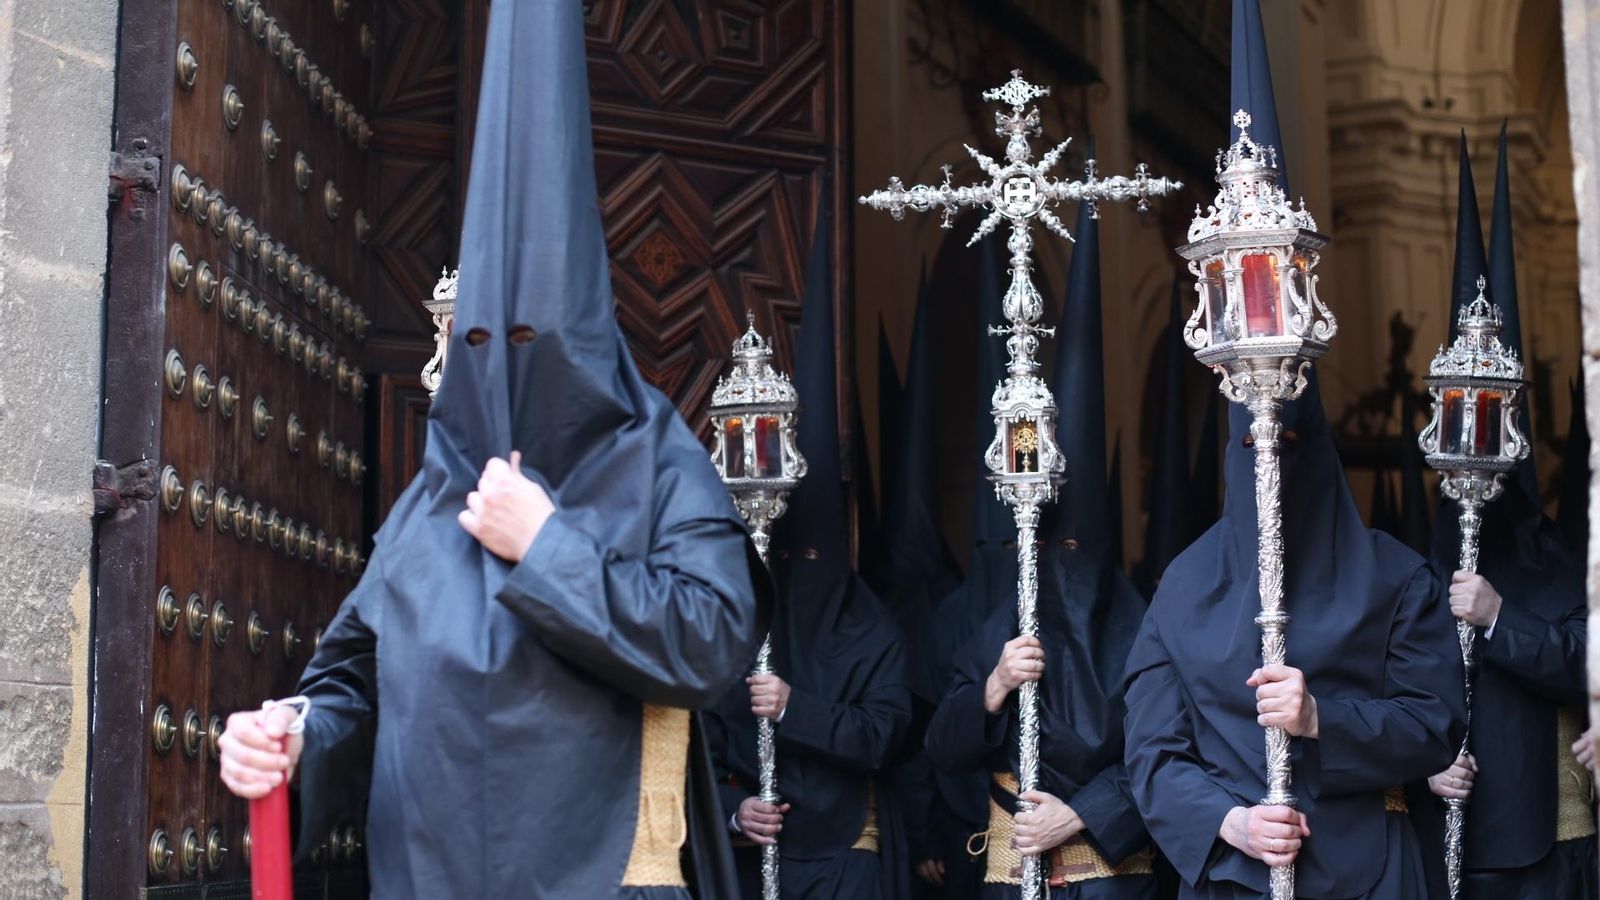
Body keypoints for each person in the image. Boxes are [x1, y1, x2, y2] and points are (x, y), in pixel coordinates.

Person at [214, 2, 768, 897]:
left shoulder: (656, 457)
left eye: (533, 342)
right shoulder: (432, 497)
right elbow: (356, 679)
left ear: (587, 336)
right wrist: (291, 733)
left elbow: (711, 641)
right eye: (479, 344)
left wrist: (545, 545)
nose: (504, 376)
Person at [1121, 4, 1465, 898]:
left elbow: (1436, 725)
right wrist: (1230, 819)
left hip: (1369, 871)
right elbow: (1152, 756)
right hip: (1242, 873)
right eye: (1249, 446)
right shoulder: (1186, 586)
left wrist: (1320, 717)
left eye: (1287, 444)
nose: (1268, 466)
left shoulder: (1395, 578)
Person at [925, 197, 1157, 899]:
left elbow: (1165, 750)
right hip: (1011, 870)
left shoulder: (1138, 620)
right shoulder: (1006, 618)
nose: (1070, 564)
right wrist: (994, 688)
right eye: (1061, 547)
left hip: (1110, 877)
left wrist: (1081, 813)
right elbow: (943, 747)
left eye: (1083, 547)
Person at [1413, 123, 1596, 900]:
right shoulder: (1422, 559)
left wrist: (1494, 618)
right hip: (1479, 837)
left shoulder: (1558, 551)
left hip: (1568, 841)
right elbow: (1399, 687)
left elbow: (1582, 658)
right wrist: (1422, 761)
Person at [704, 227, 914, 900]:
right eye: (790, 558)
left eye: (814, 557)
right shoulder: (736, 619)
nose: (802, 570)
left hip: (844, 859)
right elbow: (697, 742)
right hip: (749, 862)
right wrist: (734, 812)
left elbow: (883, 736)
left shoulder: (867, 625)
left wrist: (795, 708)